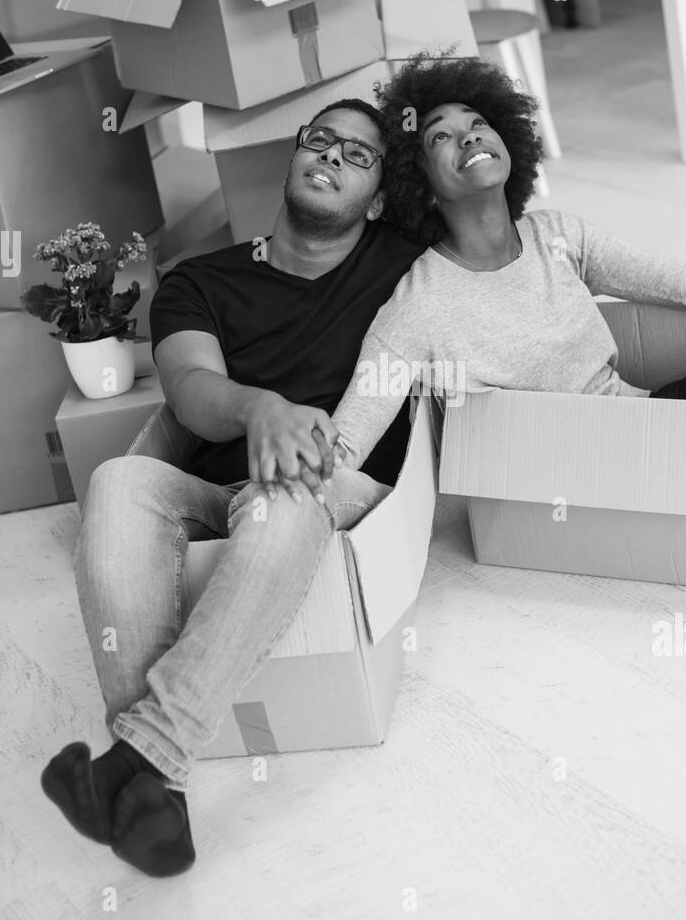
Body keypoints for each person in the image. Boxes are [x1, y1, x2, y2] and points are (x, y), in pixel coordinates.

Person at [41, 99, 423, 877]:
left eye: (358, 155)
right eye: (319, 141)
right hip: (218, 494)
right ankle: (153, 788)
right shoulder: (200, 280)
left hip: (330, 494)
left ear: (379, 198)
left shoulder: (402, 264)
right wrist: (261, 409)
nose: (331, 157)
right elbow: (187, 388)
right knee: (117, 479)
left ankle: (144, 754)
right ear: (290, 158)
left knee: (291, 492)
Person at [325, 55, 686, 474]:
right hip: (610, 465)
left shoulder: (556, 235)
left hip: (655, 414)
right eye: (440, 135)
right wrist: (300, 459)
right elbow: (352, 433)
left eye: (479, 123)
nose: (469, 136)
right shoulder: (421, 302)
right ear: (423, 188)